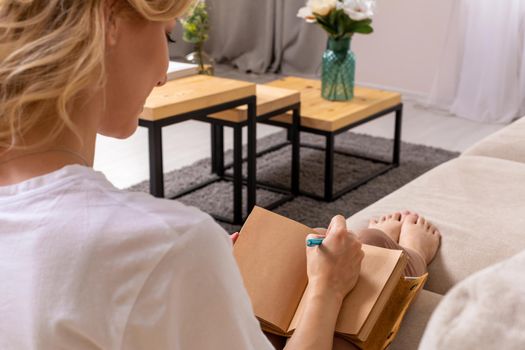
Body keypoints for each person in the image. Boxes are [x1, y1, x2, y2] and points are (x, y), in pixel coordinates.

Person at [0, 1, 440, 349]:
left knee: (343, 247)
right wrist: (328, 288)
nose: (162, 75)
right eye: (167, 33)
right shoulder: (163, 241)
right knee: (351, 262)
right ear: (108, 18)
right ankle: (408, 261)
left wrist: (199, 275)